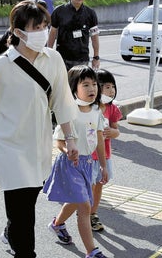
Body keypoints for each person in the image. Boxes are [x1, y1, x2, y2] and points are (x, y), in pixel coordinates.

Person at [0, 0, 79, 258]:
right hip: (8, 145)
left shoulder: (53, 59)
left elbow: (62, 102)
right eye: (37, 27)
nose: (43, 31)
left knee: (29, 199)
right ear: (19, 32)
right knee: (22, 210)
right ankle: (24, 250)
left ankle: (12, 233)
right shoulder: (1, 65)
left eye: (45, 25)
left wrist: (71, 139)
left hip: (37, 144)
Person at [43, 65, 109, 258]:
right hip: (70, 164)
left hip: (88, 164)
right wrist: (67, 151)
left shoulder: (97, 111)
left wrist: (103, 166)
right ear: (74, 88)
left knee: (75, 201)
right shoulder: (68, 110)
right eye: (85, 84)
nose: (92, 89)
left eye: (94, 84)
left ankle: (56, 224)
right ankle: (92, 251)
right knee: (84, 205)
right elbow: (59, 141)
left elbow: (99, 140)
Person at [90, 69, 121, 232]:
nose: (111, 90)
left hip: (105, 155)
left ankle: (93, 213)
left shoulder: (112, 109)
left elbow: (116, 130)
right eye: (106, 87)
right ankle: (84, 212)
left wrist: (113, 133)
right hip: (88, 155)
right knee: (89, 186)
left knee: (99, 184)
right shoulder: (88, 108)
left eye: (113, 87)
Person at [48, 0, 100, 71]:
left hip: (82, 61)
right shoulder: (59, 11)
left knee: (79, 85)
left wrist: (96, 57)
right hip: (62, 60)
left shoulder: (90, 13)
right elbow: (52, 33)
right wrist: (48, 53)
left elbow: (94, 36)